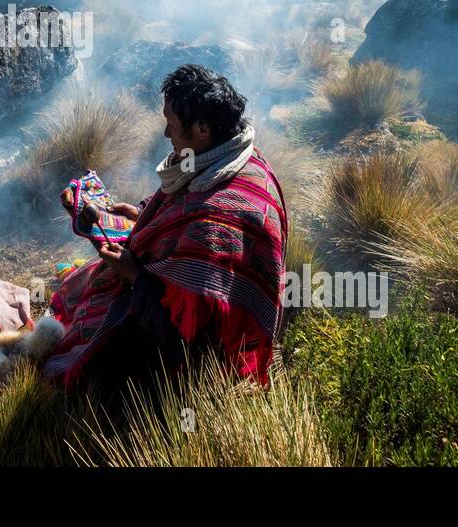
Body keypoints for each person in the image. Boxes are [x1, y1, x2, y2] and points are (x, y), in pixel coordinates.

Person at [42, 64, 287, 394]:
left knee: (90, 368)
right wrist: (142, 211)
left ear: (201, 129)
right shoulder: (231, 155)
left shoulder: (214, 225)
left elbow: (185, 338)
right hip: (191, 311)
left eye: (171, 125)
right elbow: (182, 195)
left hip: (200, 357)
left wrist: (135, 277)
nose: (165, 134)